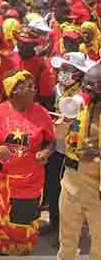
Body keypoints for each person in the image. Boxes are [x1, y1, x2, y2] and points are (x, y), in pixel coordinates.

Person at [0, 70, 55, 255]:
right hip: (1, 182)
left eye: (33, 86)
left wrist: (45, 152)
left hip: (29, 182)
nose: (33, 90)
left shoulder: (41, 112)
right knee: (0, 228)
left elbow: (51, 141)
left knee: (22, 227)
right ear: (13, 91)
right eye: (27, 87)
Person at [56, 62, 101, 260]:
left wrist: (97, 154)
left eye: (95, 85)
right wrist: (65, 119)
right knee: (67, 241)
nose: (89, 90)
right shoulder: (76, 106)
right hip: (71, 180)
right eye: (87, 84)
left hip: (97, 183)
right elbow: (58, 137)